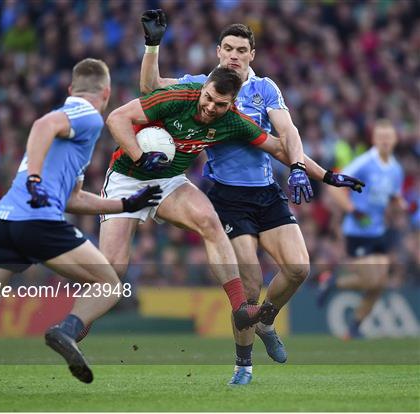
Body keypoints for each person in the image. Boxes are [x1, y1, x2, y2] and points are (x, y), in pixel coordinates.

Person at [0, 58, 163, 404]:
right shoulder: (87, 116)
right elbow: (42, 124)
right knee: (109, 283)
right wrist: (35, 178)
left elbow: (73, 198)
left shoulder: (72, 131)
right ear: (106, 93)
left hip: (3, 221)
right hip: (38, 220)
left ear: (70, 88)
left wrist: (125, 205)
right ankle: (66, 331)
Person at [139, 12, 364, 385]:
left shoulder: (265, 89)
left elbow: (286, 135)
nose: (233, 55)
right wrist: (152, 46)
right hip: (227, 196)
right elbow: (149, 88)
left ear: (252, 55)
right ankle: (243, 367)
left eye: (241, 50)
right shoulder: (202, 85)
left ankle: (266, 320)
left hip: (267, 194)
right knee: (250, 283)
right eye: (227, 48)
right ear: (217, 51)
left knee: (298, 268)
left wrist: (313, 171)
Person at [319, 119, 406, 339]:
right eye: (381, 137)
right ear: (375, 139)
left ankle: (355, 326)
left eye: (389, 137)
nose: (385, 141)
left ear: (394, 139)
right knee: (371, 281)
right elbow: (335, 186)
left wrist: (401, 206)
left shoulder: (396, 169)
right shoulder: (365, 163)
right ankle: (334, 282)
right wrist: (352, 209)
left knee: (380, 283)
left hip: (378, 231)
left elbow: (394, 197)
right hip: (357, 231)